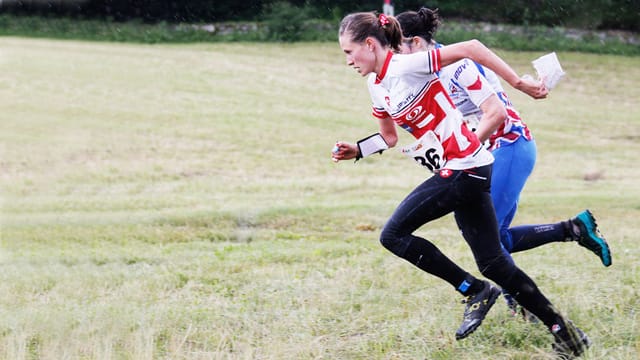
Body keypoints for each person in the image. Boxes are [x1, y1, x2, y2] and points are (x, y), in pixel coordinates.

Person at [333, 11, 590, 358]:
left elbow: (471, 47)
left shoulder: (408, 65)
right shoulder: (376, 86)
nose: (347, 61)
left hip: (465, 167)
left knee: (392, 235)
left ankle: (474, 291)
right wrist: (359, 150)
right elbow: (388, 137)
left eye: (349, 52)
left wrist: (518, 83)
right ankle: (566, 333)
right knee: (494, 262)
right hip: (468, 167)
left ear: (369, 44)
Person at [395, 7, 611, 319]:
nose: (396, 59)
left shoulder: (456, 66)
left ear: (415, 43)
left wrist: (464, 148)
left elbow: (495, 114)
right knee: (498, 239)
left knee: (489, 242)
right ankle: (575, 229)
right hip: (486, 154)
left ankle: (527, 303)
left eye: (397, 48)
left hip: (508, 147)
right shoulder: (427, 73)